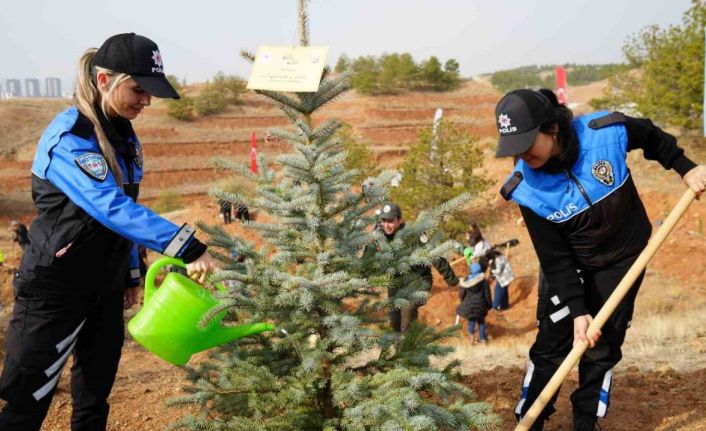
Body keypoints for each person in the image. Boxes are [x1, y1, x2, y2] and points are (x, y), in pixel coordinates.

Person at [0, 33, 219, 431]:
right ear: (105, 81)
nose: (146, 101)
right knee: (25, 401)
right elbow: (111, 208)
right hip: (56, 288)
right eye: (139, 89)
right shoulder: (71, 137)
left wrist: (129, 275)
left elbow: (127, 209)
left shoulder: (123, 136)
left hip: (104, 288)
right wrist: (187, 247)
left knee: (94, 397)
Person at [494, 88, 706, 430]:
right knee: (552, 346)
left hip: (623, 260)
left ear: (552, 129)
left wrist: (685, 167)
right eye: (513, 148)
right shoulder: (527, 188)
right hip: (569, 269)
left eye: (526, 143)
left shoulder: (605, 133)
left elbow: (651, 135)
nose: (520, 155)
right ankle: (530, 419)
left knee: (602, 346)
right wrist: (579, 311)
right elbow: (555, 258)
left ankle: (585, 422)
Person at [364, 203, 460, 333]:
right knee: (394, 323)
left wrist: (452, 280)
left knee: (408, 309)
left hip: (418, 280)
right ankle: (400, 349)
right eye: (384, 221)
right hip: (396, 282)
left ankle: (406, 347)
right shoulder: (379, 235)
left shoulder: (414, 235)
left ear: (399, 220)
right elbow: (366, 259)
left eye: (390, 221)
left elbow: (435, 255)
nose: (386, 225)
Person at [456, 260, 492, 343]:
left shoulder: (466, 281)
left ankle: (471, 337)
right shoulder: (484, 282)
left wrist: (463, 302)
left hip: (469, 306)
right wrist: (489, 305)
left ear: (471, 270)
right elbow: (487, 295)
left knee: (471, 320)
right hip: (481, 306)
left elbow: (462, 294)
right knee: (481, 321)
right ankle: (483, 339)